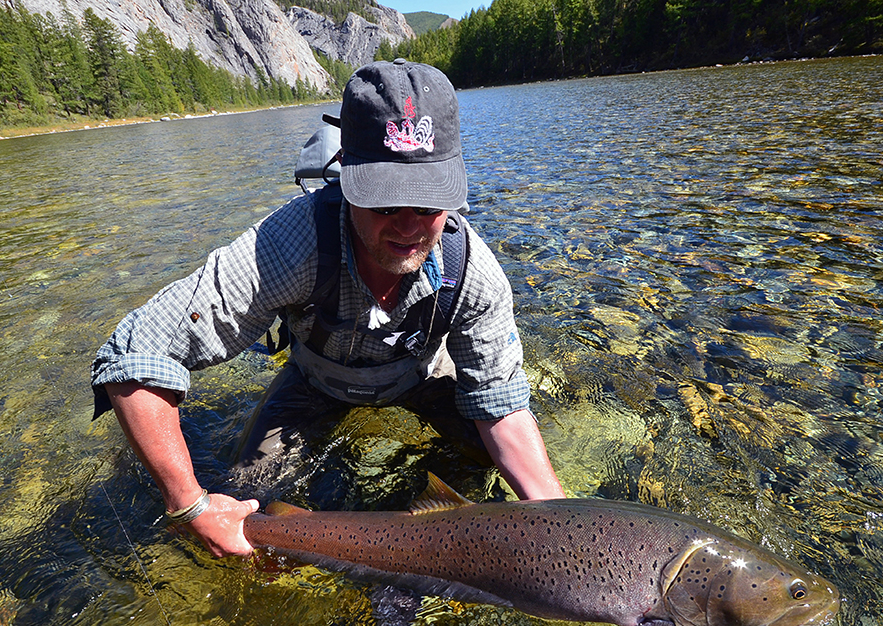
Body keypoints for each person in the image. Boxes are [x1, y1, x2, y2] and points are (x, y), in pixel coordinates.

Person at [91, 59, 566, 558]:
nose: (408, 226)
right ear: (347, 180)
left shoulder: (472, 270)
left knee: (485, 461)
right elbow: (135, 351)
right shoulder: (289, 246)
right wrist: (189, 504)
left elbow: (503, 409)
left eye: (428, 202)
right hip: (315, 383)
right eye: (385, 202)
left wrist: (560, 531)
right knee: (254, 503)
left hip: (421, 377)